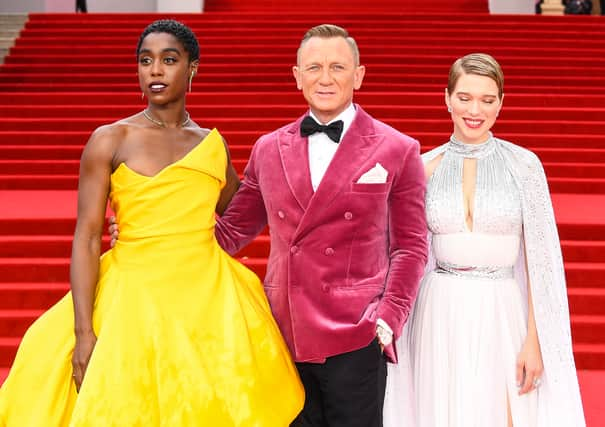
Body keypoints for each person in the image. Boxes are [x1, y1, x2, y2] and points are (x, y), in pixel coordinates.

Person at [111, 23, 428, 426]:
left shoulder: (397, 149)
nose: (325, 79)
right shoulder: (268, 148)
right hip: (280, 333)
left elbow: (411, 246)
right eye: (313, 68)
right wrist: (147, 232)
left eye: (337, 67)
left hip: (356, 334)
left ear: (359, 75)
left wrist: (387, 319)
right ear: (297, 77)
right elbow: (228, 233)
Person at [0, 19, 304, 426]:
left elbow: (249, 211)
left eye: (169, 59)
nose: (155, 70)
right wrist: (84, 333)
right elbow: (87, 238)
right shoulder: (110, 139)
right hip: (131, 298)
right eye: (146, 61)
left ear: (192, 68)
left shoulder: (210, 145)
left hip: (210, 301)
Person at [383, 53, 586, 426]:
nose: (475, 110)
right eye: (465, 97)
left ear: (500, 103)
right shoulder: (421, 168)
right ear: (446, 98)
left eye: (487, 100)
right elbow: (403, 253)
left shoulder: (524, 166)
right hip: (438, 311)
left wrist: (535, 341)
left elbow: (542, 261)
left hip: (502, 307)